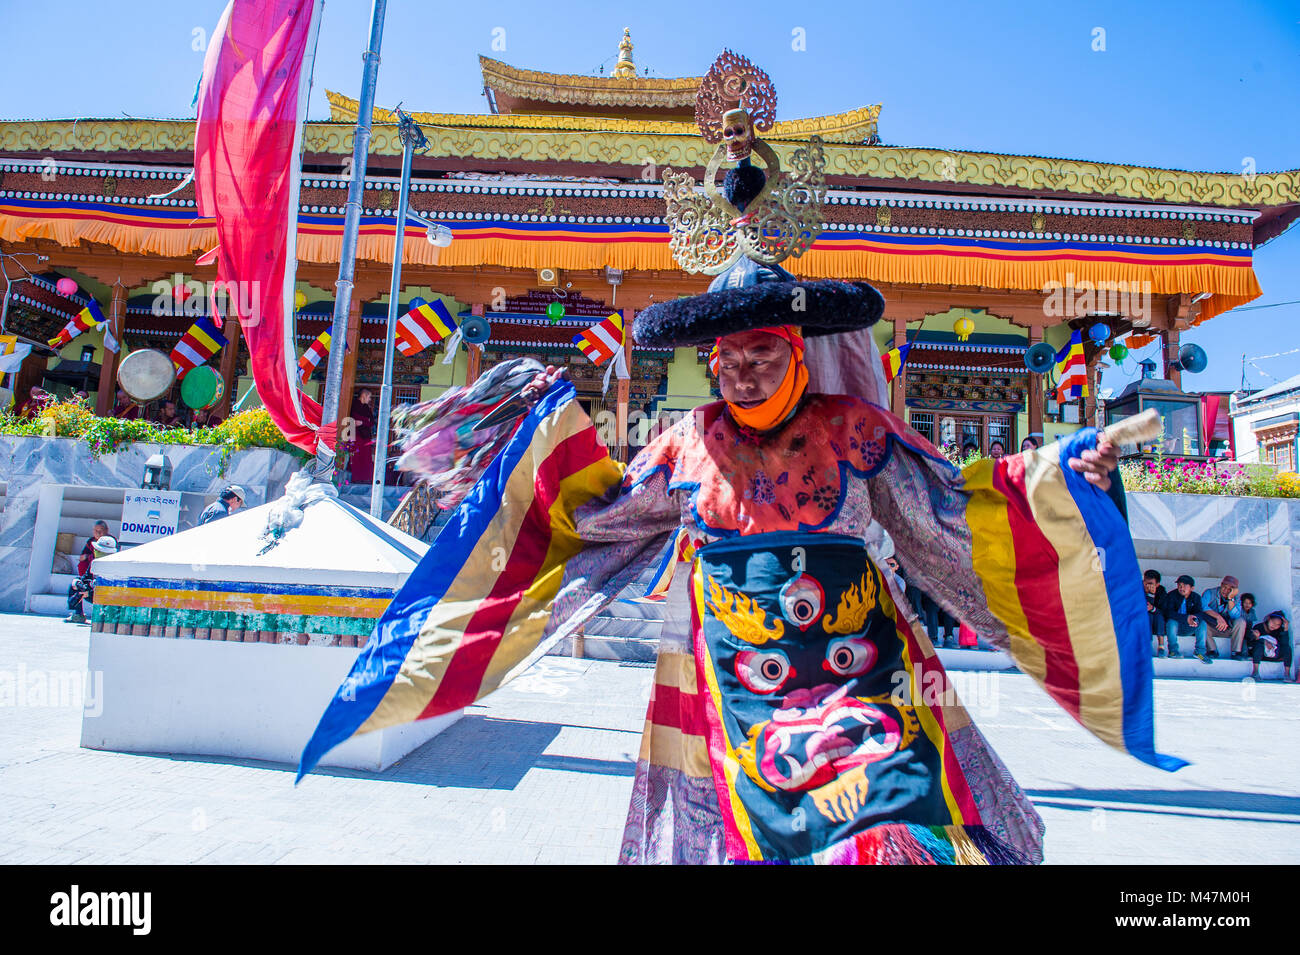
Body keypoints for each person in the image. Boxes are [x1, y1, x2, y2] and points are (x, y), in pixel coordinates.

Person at [306, 74, 1180, 865]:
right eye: (726, 353)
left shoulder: (855, 429)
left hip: (859, 664)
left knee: (885, 830)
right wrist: (517, 443)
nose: (741, 368)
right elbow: (598, 516)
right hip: (720, 673)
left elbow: (956, 508)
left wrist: (1069, 467)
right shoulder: (685, 440)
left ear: (799, 351)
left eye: (763, 349)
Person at [66, 535, 118, 623]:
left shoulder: (114, 566)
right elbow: (86, 577)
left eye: (99, 551)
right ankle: (78, 615)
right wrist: (80, 583)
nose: (95, 551)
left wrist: (90, 591)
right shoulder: (94, 563)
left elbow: (111, 587)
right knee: (75, 584)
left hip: (109, 597)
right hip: (93, 593)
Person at [1161, 574, 1210, 663]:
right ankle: (1173, 651)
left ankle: (1200, 652)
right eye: (1179, 585)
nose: (1181, 588)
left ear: (1192, 588)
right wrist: (1186, 618)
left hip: (1189, 626)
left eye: (1185, 586)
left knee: (1202, 624)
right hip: (1174, 627)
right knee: (1171, 622)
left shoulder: (1196, 597)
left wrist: (1195, 619)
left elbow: (1199, 613)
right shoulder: (1171, 595)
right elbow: (1168, 613)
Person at [1201, 575, 1246, 659]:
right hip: (1211, 627)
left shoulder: (1236, 598)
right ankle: (1212, 650)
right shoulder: (1210, 592)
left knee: (1241, 621)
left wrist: (1230, 599)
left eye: (1230, 589)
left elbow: (1235, 615)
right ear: (1221, 585)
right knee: (1201, 621)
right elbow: (1202, 606)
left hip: (1227, 629)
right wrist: (1218, 617)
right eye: (1224, 587)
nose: (1226, 591)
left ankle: (1236, 652)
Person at [1246, 612, 1292, 680]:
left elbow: (1284, 643)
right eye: (1273, 622)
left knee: (1287, 648)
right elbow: (1251, 642)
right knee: (1259, 645)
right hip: (1260, 655)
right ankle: (1255, 672)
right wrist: (1263, 641)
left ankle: (1287, 674)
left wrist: (1286, 629)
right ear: (1269, 619)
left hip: (1273, 654)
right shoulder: (1259, 627)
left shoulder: (1279, 631)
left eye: (1278, 625)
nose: (1274, 626)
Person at [348, 388, 376, 485]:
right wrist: (365, 420)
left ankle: (366, 478)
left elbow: (371, 422)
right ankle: (356, 478)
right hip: (355, 435)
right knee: (356, 457)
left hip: (365, 436)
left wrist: (363, 421)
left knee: (366, 457)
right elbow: (352, 418)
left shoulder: (366, 408)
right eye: (369, 397)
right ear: (364, 396)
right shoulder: (354, 405)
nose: (370, 399)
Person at [1143, 569, 1168, 654]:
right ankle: (1147, 645)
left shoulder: (1161, 591)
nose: (1147, 586)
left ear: (1157, 584)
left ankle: (1161, 646)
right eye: (1145, 582)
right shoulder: (1138, 588)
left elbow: (1164, 611)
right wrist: (1150, 595)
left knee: (1159, 616)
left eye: (1150, 584)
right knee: (1148, 616)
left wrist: (1153, 608)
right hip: (1142, 619)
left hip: (1157, 619)